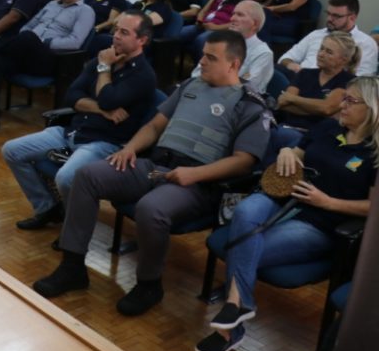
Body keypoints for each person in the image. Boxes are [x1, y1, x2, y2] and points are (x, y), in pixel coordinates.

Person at [33, 30, 271, 318]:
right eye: (203, 54)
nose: (202, 61)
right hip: (155, 165)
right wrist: (130, 149)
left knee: (151, 208)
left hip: (196, 181)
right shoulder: (191, 85)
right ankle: (72, 267)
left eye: (210, 57)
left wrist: (194, 175)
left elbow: (244, 162)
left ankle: (149, 284)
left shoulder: (250, 104)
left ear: (233, 65)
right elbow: (155, 126)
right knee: (87, 176)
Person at [194, 76, 377, 351]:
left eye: (351, 101)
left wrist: (328, 202)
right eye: (344, 98)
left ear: (373, 108)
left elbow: (372, 208)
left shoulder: (373, 153)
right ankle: (239, 306)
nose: (342, 105)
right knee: (244, 212)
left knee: (244, 245)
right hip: (283, 197)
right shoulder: (329, 127)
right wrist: (286, 151)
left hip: (318, 221)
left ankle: (230, 325)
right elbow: (298, 151)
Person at [1, 11, 156, 230]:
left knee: (65, 178)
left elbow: (107, 98)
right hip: (74, 131)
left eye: (124, 32)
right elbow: (71, 95)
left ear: (142, 40)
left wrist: (104, 69)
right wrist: (102, 111)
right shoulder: (104, 57)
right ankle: (47, 208)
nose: (116, 36)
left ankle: (76, 230)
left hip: (103, 142)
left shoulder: (143, 74)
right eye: (116, 30)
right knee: (12, 150)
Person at [0, 0, 95, 133]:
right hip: (26, 51)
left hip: (51, 59)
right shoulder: (51, 4)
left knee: (22, 39)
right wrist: (29, 39)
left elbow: (75, 42)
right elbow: (27, 26)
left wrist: (44, 42)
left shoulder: (85, 11)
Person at [277, 31, 359, 132]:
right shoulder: (304, 73)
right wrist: (319, 110)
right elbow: (284, 104)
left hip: (319, 135)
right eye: (321, 49)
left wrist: (294, 99)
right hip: (287, 127)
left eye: (329, 52)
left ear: (344, 59)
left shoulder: (349, 81)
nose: (321, 54)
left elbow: (327, 108)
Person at [279, 0, 377, 77]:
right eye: (328, 14)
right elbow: (285, 58)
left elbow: (361, 80)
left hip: (333, 89)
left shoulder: (365, 43)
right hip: (300, 77)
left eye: (336, 16)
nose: (329, 19)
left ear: (352, 18)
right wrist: (292, 65)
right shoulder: (316, 34)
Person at [190, 0, 274, 94]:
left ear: (255, 24)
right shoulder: (219, 43)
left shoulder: (263, 53)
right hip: (202, 93)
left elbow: (247, 89)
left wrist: (213, 78)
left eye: (240, 15)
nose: (232, 18)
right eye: (233, 14)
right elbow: (196, 74)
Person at [182, 0, 250, 61]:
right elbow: (204, 10)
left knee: (201, 40)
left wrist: (215, 27)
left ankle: (201, 68)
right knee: (182, 33)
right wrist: (199, 20)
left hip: (221, 30)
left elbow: (236, 24)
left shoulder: (244, 2)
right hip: (204, 25)